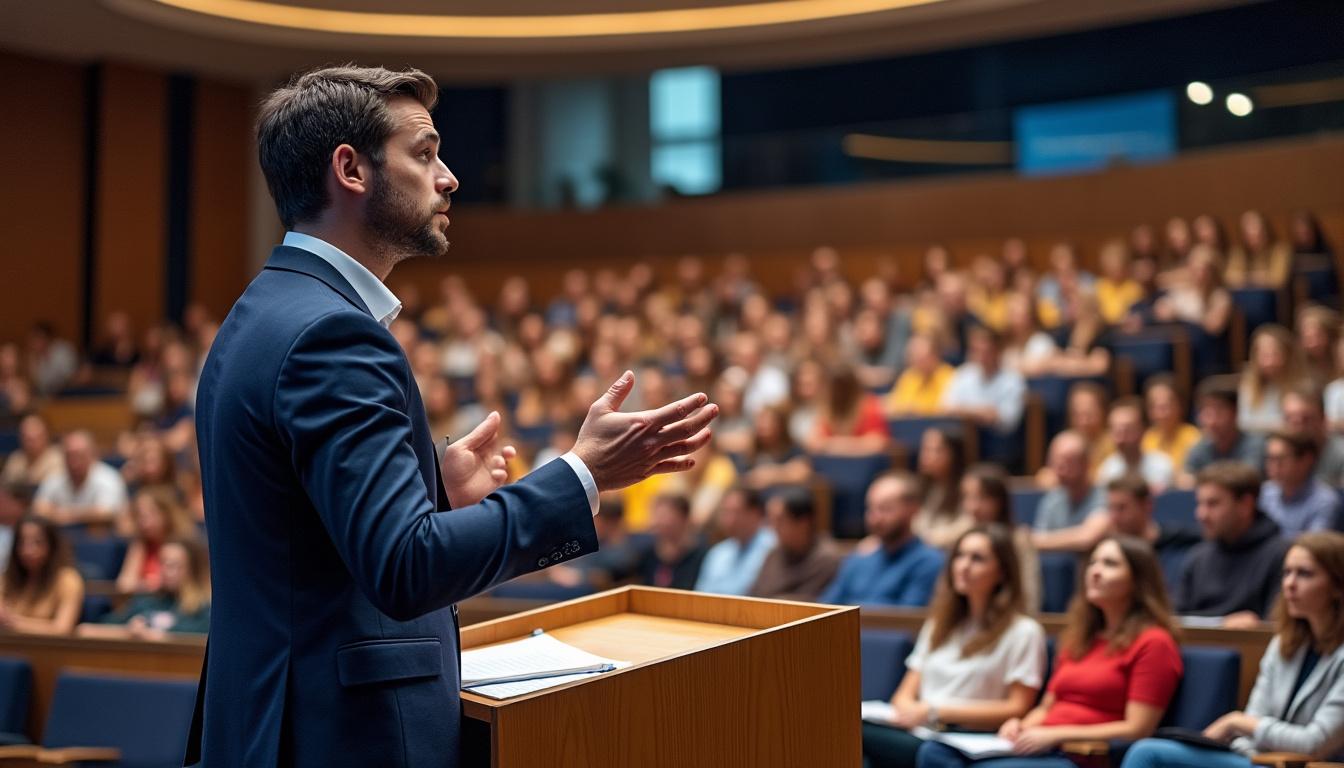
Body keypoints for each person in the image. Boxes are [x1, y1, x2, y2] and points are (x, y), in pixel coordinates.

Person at [188, 65, 718, 768]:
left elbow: (302, 543)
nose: (449, 177)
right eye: (424, 152)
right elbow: (404, 567)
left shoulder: (263, 310)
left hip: (272, 720)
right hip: (333, 736)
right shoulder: (332, 336)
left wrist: (433, 495)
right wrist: (582, 476)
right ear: (350, 169)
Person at [916, 536, 1182, 768]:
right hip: (1042, 744)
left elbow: (1137, 729)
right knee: (935, 752)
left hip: (1080, 756)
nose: (1095, 571)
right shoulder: (1080, 637)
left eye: (1110, 564)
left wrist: (1057, 735)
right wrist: (1020, 724)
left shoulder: (1153, 643)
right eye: (1093, 563)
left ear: (1138, 582)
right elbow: (1047, 706)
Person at [1120, 531, 1344, 768]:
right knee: (1148, 751)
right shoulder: (1284, 643)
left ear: (1338, 586)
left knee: (1150, 754)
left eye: (1305, 574)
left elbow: (1315, 743)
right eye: (1287, 573)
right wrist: (1246, 738)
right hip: (1261, 760)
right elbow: (1253, 723)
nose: (1289, 584)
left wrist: (1235, 722)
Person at [863, 526, 1047, 768]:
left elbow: (1018, 707)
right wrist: (911, 712)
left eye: (977, 558)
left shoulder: (1024, 632)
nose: (963, 566)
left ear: (1002, 572)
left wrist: (935, 712)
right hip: (922, 731)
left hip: (967, 740)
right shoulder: (940, 624)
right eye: (959, 556)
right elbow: (903, 694)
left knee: (849, 731)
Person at [1175, 462, 1289, 628]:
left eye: (1213, 504)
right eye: (1200, 503)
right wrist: (1221, 624)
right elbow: (1174, 619)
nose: (1201, 514)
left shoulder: (1280, 555)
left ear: (1245, 505)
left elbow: (1277, 629)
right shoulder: (1197, 556)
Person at [821, 472, 944, 607]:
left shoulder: (928, 562)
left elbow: (908, 620)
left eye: (885, 509)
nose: (875, 518)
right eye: (870, 509)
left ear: (913, 510)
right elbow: (827, 607)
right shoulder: (860, 557)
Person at [82, 537, 212, 639]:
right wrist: (128, 632)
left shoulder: (204, 607)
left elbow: (202, 639)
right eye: (162, 563)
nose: (165, 571)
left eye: (173, 565)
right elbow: (90, 629)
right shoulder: (147, 601)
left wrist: (158, 636)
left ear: (193, 569)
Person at [961, 464, 1040, 613]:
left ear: (1000, 501)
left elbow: (1029, 597)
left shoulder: (1018, 540)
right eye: (967, 497)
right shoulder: (964, 539)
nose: (973, 507)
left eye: (982, 498)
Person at [750, 486, 843, 601]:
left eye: (779, 520)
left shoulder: (827, 559)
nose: (772, 528)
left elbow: (804, 605)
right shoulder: (774, 553)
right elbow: (753, 594)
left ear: (803, 522)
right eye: (770, 520)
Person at [0, 516, 84, 635]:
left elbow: (63, 629)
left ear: (52, 546)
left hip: (50, 650)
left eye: (37, 542)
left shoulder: (68, 579)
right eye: (22, 542)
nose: (27, 550)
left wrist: (13, 623)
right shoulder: (6, 578)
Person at [31, 430, 130, 529]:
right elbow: (38, 509)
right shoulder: (54, 478)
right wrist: (87, 515)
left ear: (91, 455)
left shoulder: (109, 478)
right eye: (69, 456)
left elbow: (106, 513)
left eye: (79, 455)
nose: (74, 462)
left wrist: (64, 514)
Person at [941, 326, 1027, 434]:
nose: (981, 357)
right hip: (963, 438)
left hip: (998, 441)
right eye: (976, 351)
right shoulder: (963, 374)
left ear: (997, 351)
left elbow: (1008, 420)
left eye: (986, 351)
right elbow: (947, 408)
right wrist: (981, 412)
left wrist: (964, 411)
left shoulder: (1013, 380)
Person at [694, 487, 776, 596]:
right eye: (725, 512)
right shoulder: (717, 553)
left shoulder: (774, 548)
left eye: (736, 513)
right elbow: (701, 597)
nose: (729, 521)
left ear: (755, 513)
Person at [116, 487, 198, 594]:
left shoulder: (183, 542)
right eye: (140, 516)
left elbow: (184, 583)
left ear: (166, 514)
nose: (144, 523)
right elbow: (125, 585)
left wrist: (146, 584)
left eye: (150, 515)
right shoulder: (141, 543)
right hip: (148, 604)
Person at [1181, 379, 1264, 484]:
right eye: (1205, 412)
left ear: (1235, 413)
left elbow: (1247, 480)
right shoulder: (1200, 448)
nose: (1211, 421)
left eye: (1218, 411)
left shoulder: (1255, 444)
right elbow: (1185, 480)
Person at [1260, 431, 1342, 536]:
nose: (1273, 466)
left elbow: (1311, 548)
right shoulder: (1265, 492)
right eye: (1269, 458)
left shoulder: (1324, 501)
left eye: (1280, 459)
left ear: (1306, 460)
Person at [1095, 398, 1174, 492]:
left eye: (1127, 431)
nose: (1121, 439)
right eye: (1116, 431)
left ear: (1143, 430)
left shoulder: (1162, 465)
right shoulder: (1107, 472)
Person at [1033, 431, 1104, 532]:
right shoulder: (1052, 500)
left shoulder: (1104, 498)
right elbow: (1039, 537)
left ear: (1086, 464)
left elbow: (1088, 537)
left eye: (1068, 463)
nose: (1061, 471)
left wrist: (1033, 539)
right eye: (1056, 463)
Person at [634, 493, 707, 589]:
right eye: (656, 515)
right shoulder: (647, 554)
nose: (658, 522)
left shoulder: (702, 556)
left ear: (684, 518)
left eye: (665, 515)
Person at [914, 428, 971, 550]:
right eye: (924, 449)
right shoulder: (923, 488)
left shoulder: (968, 487)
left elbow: (968, 526)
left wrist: (921, 540)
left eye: (935, 450)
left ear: (954, 455)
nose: (926, 456)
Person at [1142, 376, 1201, 472]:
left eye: (1166, 406)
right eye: (1154, 406)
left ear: (1181, 405)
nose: (1160, 413)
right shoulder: (1147, 438)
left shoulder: (1194, 437)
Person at [887, 334, 956, 417]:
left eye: (922, 357)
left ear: (935, 355)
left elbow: (947, 409)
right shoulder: (909, 376)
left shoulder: (949, 376)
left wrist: (918, 409)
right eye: (914, 356)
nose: (917, 361)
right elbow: (895, 405)